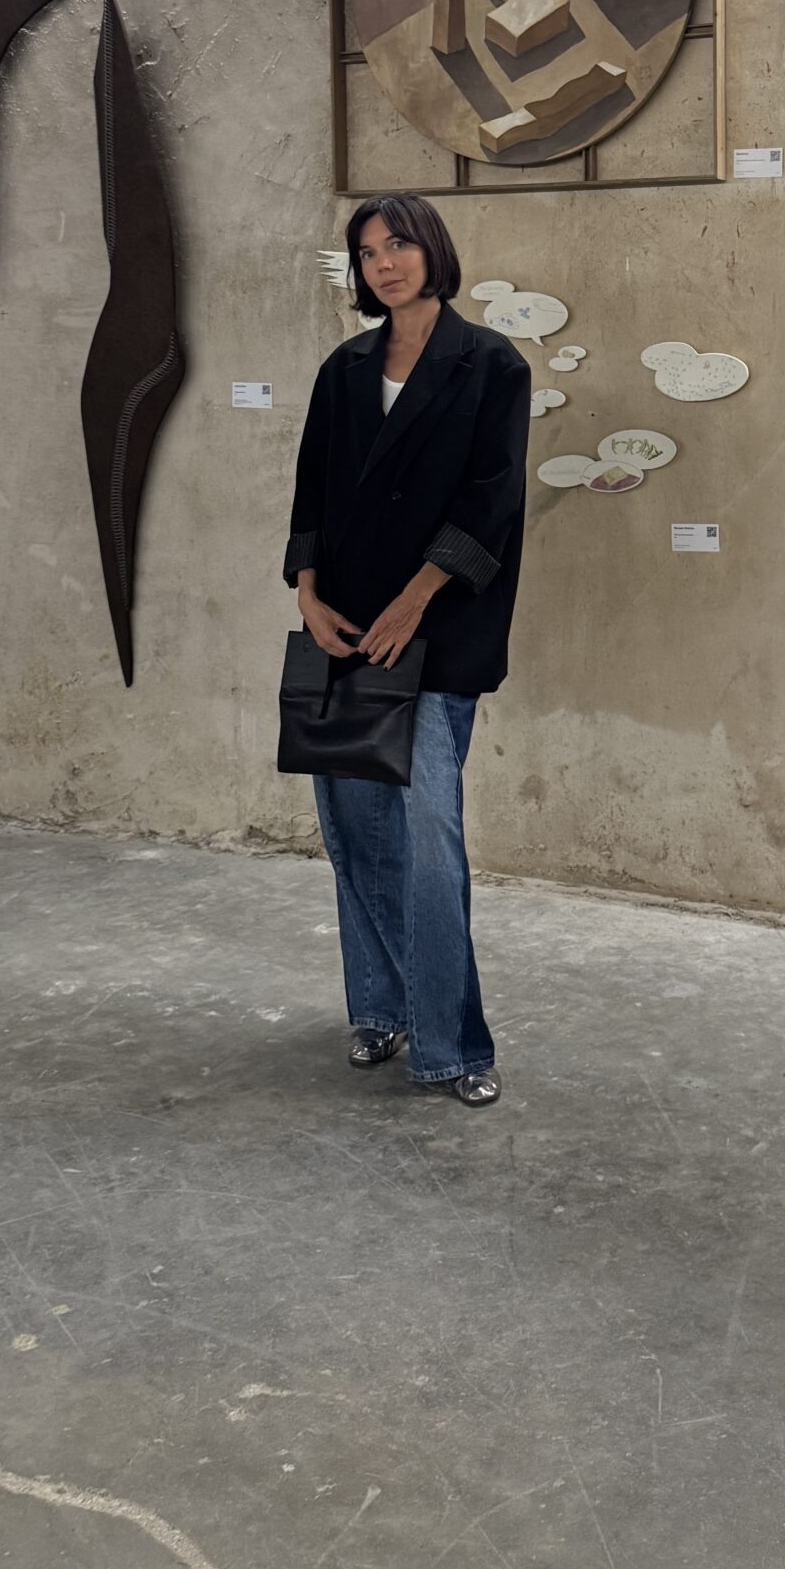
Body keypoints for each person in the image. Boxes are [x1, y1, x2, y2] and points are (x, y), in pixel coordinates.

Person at [283, 192, 531, 1103]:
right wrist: (308, 594)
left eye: (399, 244)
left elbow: (491, 502)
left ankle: (455, 1044)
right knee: (355, 827)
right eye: (368, 251)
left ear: (432, 249)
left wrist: (415, 600)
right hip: (344, 627)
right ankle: (381, 1007)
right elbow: (310, 487)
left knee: (428, 835)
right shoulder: (344, 367)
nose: (385, 263)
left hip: (439, 631)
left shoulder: (490, 364)